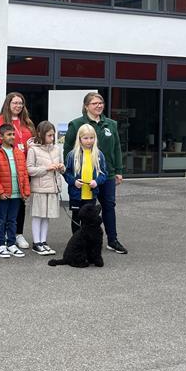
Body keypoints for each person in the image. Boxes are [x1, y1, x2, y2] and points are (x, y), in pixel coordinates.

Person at [63, 92, 127, 254]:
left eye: (101, 102)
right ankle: (80, 242)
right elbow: (68, 151)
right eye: (94, 103)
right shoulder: (76, 124)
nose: (99, 105)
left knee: (109, 206)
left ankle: (112, 240)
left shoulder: (111, 124)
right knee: (83, 210)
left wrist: (118, 170)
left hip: (107, 174)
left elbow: (117, 148)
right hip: (83, 178)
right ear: (86, 106)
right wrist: (69, 176)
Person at [0, 92, 36, 250]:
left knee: (20, 203)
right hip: (4, 169)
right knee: (3, 205)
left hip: (22, 168)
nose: (18, 106)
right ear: (8, 104)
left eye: (20, 103)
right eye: (14, 103)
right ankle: (1, 238)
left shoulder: (27, 122)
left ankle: (17, 234)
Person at [0, 123, 31, 258]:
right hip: (4, 194)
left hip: (17, 194)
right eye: (9, 134)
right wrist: (0, 191)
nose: (12, 137)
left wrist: (25, 191)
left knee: (13, 220)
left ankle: (11, 244)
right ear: (1, 136)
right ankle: (1, 244)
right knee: (1, 219)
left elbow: (24, 173)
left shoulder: (19, 153)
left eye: (13, 134)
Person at [26, 121, 64, 256]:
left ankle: (43, 241)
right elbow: (29, 170)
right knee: (38, 215)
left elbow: (63, 167)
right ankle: (36, 243)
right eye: (49, 135)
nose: (52, 138)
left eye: (53, 135)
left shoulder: (56, 149)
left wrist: (61, 167)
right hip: (39, 188)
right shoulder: (33, 149)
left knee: (47, 215)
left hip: (53, 187)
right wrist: (46, 168)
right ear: (41, 134)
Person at [63, 123, 107, 234]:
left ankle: (88, 242)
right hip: (76, 195)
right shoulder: (72, 155)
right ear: (80, 139)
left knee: (89, 220)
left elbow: (104, 174)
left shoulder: (99, 155)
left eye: (91, 138)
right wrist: (74, 181)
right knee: (76, 218)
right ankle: (77, 240)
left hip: (91, 195)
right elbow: (66, 173)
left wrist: (96, 182)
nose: (89, 141)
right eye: (85, 138)